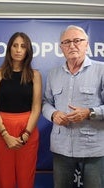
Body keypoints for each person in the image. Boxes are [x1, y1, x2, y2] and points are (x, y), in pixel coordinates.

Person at [42, 25, 104, 188]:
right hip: (61, 148)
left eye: (77, 40)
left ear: (87, 44)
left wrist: (90, 112)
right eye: (67, 42)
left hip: (93, 149)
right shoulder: (53, 74)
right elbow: (45, 102)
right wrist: (54, 114)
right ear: (61, 47)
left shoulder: (101, 70)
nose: (72, 45)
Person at [0, 32, 42, 188]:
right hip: (1, 129)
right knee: (4, 179)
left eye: (23, 46)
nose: (19, 50)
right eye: (15, 45)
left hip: (27, 129)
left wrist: (26, 134)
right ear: (9, 49)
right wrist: (5, 134)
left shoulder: (35, 75)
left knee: (26, 179)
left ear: (28, 50)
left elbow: (36, 107)